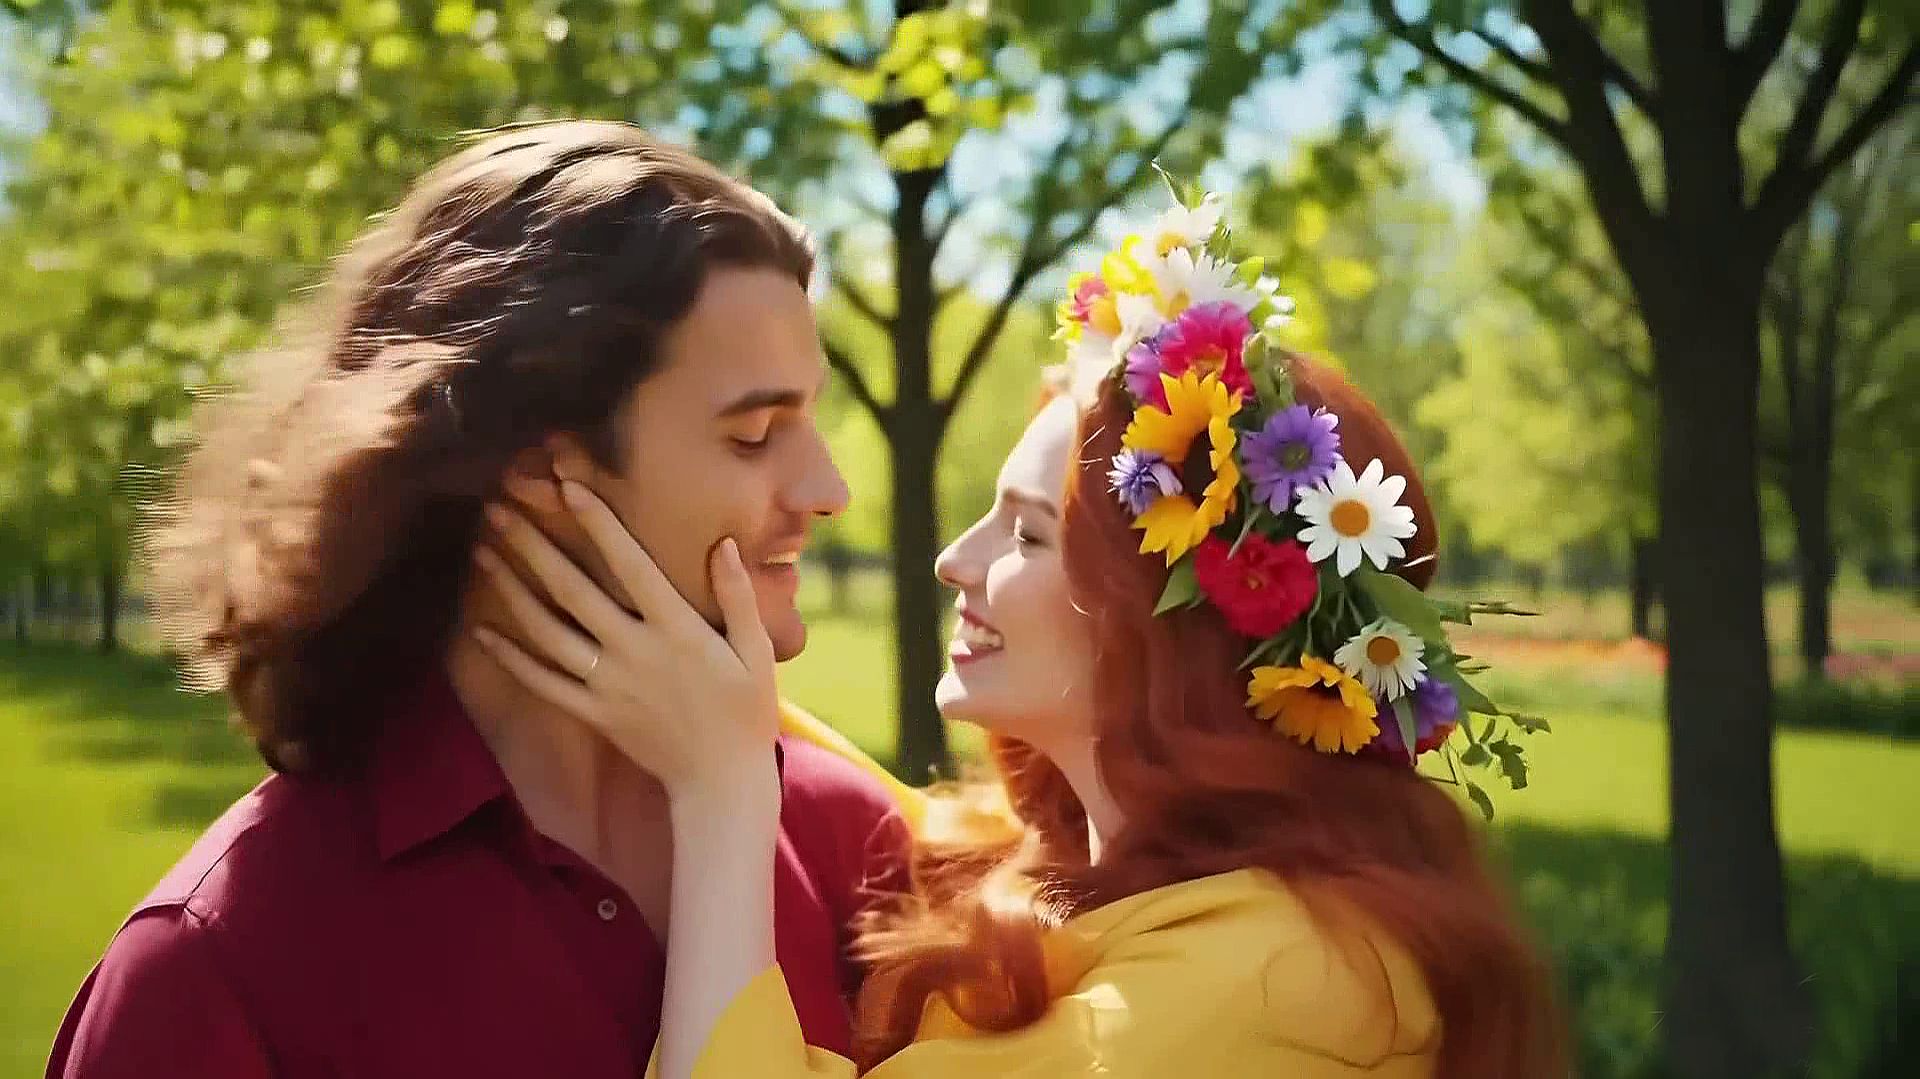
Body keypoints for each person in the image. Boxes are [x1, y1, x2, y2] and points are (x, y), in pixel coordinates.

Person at [481, 194, 1568, 1078]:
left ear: (1166, 627)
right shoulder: (1148, 878)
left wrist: (721, 799)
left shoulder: (1270, 986)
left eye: (1029, 531)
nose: (955, 558)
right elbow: (880, 797)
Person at [48, 120, 911, 1078]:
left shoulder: (861, 850)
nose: (828, 488)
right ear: (535, 467)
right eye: (754, 434)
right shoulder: (215, 966)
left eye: (810, 418)